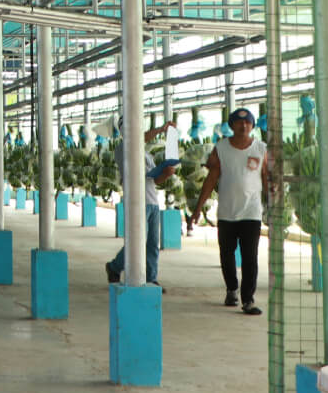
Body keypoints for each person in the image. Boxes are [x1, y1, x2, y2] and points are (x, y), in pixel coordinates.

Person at [190, 106, 273, 315]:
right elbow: (211, 179)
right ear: (231, 125)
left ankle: (248, 300)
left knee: (250, 257)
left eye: (247, 122)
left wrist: (272, 203)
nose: (243, 126)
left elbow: (266, 177)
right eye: (239, 122)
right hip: (227, 212)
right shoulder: (221, 148)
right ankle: (231, 289)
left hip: (251, 212)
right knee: (226, 255)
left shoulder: (261, 148)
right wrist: (198, 208)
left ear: (253, 126)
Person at [107, 121, 180, 287]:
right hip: (136, 202)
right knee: (138, 241)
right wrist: (161, 129)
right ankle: (114, 266)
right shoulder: (122, 149)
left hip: (152, 201)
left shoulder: (146, 155)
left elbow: (155, 180)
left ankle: (151, 277)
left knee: (153, 243)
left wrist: (166, 173)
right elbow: (138, 139)